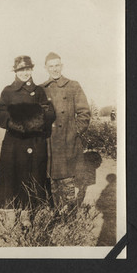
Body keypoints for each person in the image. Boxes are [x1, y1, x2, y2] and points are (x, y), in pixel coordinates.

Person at [0, 56, 56, 223]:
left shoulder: (40, 91)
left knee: (31, 175)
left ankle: (26, 212)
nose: (25, 73)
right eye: (21, 70)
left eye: (28, 69)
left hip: (34, 141)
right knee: (12, 175)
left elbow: (49, 112)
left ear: (32, 70)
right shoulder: (8, 91)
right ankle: (10, 212)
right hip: (14, 141)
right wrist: (13, 123)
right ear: (15, 71)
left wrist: (33, 122)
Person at [40, 52, 91, 209]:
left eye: (57, 66)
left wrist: (74, 132)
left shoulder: (73, 85)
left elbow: (84, 112)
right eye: (51, 66)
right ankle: (54, 213)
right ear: (46, 68)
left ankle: (70, 217)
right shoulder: (41, 89)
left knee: (68, 181)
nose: (55, 69)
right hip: (48, 142)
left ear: (61, 66)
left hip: (67, 141)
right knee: (50, 181)